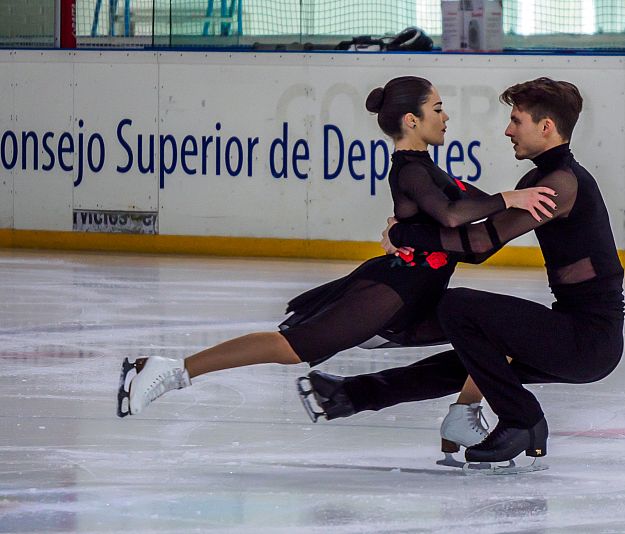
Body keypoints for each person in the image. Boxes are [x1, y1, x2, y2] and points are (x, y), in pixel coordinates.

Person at [116, 75, 557, 457]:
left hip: (421, 296)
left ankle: (463, 413)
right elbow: (452, 215)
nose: (446, 117)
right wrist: (508, 198)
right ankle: (171, 370)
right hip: (391, 293)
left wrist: (504, 208)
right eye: (437, 109)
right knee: (292, 347)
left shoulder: (429, 170)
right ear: (412, 120)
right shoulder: (410, 171)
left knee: (492, 332)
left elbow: (473, 230)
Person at [299, 77, 625, 465]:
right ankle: (349, 395)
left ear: (546, 127)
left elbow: (478, 244)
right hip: (576, 331)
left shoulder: (560, 184)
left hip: (589, 339)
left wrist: (404, 233)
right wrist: (415, 234)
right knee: (469, 359)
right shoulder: (539, 180)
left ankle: (523, 420)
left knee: (457, 307)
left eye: (516, 121)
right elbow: (479, 246)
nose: (507, 131)